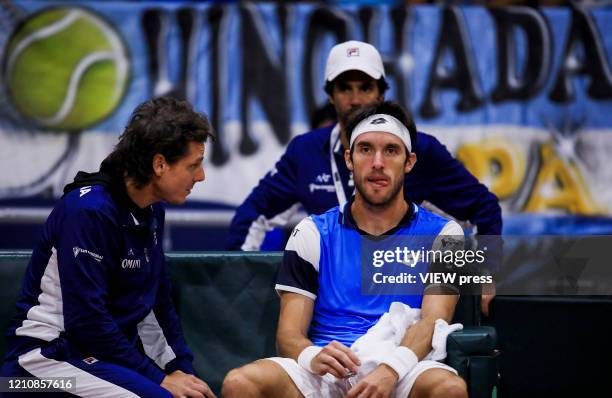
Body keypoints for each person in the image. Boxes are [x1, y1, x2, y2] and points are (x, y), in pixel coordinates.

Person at [227, 40, 500, 315]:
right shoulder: (306, 151)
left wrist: (483, 272)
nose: (355, 99)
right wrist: (238, 282)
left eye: (366, 87)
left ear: (381, 94)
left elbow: (483, 207)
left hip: (403, 302)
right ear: (330, 95)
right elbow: (252, 215)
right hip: (332, 305)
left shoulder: (419, 149)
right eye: (345, 88)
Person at [222, 101, 467, 398]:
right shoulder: (311, 231)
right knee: (240, 383)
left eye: (391, 150)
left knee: (449, 389)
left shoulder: (448, 234)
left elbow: (433, 321)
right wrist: (312, 355)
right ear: (349, 159)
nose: (378, 162)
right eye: (366, 149)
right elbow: (288, 336)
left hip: (403, 366)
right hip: (328, 371)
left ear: (410, 161)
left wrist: (389, 370)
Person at [1, 97, 216, 398]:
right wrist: (158, 378)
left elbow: (155, 304)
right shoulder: (89, 211)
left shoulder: (152, 211)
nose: (201, 176)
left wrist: (180, 369)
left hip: (99, 359)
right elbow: (87, 323)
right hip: (39, 364)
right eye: (193, 165)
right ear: (159, 164)